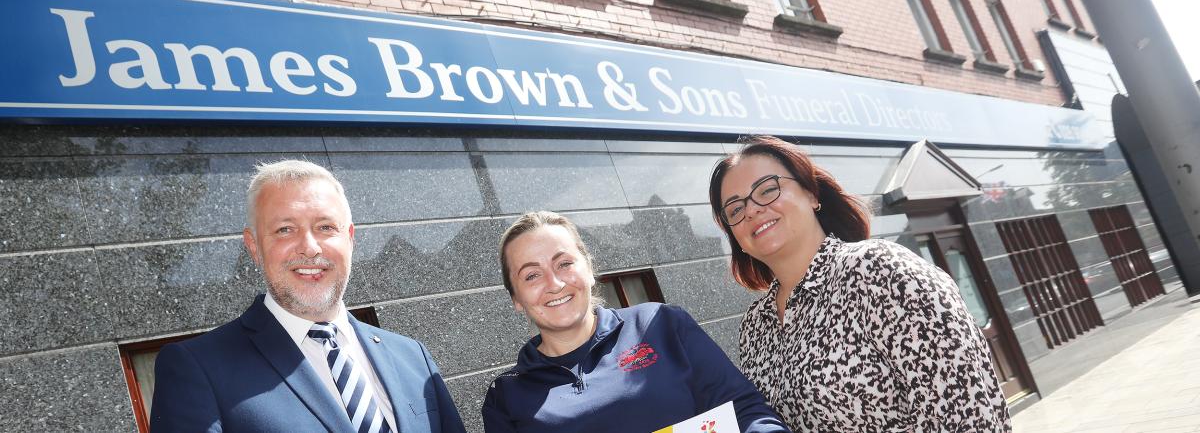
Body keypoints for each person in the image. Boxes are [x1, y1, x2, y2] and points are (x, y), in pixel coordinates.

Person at [707, 135, 1010, 432]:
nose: (752, 209)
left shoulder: (879, 272)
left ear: (812, 195)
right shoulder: (753, 328)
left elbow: (971, 413)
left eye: (767, 189)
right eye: (735, 209)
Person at [151, 160, 466, 433]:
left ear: (350, 238)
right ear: (253, 246)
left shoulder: (413, 357)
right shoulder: (197, 369)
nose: (310, 247)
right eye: (285, 229)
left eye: (326, 227)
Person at [480, 211, 790, 433]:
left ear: (588, 270)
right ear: (516, 299)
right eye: (532, 275)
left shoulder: (662, 324)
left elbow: (745, 411)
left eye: (564, 264)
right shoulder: (506, 396)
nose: (555, 283)